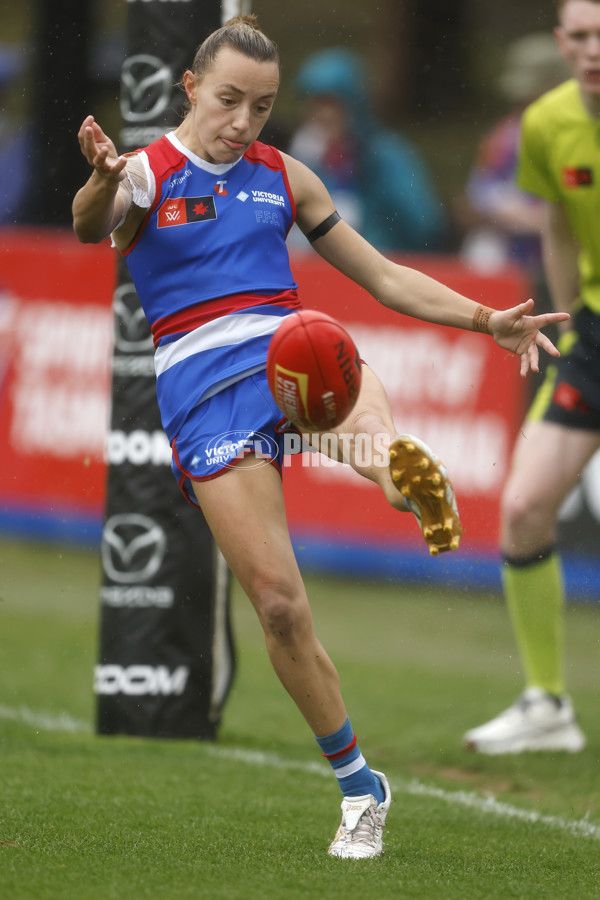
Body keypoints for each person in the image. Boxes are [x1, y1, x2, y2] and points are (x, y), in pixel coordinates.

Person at [72, 15, 567, 858]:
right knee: (279, 606)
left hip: (285, 344)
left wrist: (490, 319)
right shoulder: (147, 173)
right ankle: (360, 786)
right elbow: (93, 226)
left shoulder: (285, 177)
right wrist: (99, 181)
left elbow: (384, 277)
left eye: (262, 107)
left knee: (327, 362)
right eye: (229, 100)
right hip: (198, 387)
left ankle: (394, 472)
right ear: (192, 89)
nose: (244, 122)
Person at [463, 0, 600, 756]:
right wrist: (573, 315)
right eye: (580, 37)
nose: (593, 49)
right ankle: (547, 704)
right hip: (594, 338)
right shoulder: (546, 124)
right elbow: (554, 222)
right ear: (561, 43)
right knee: (521, 508)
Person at [288, 47, 446, 253]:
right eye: (315, 104)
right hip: (324, 270)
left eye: (331, 104)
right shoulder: (309, 157)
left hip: (384, 266)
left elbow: (424, 225)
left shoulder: (386, 154)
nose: (322, 114)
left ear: (353, 104)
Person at [458, 33, 568, 277]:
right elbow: (475, 196)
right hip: (510, 258)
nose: (524, 102)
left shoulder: (579, 136)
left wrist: (540, 220)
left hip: (563, 260)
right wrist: (497, 211)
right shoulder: (504, 135)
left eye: (534, 94)